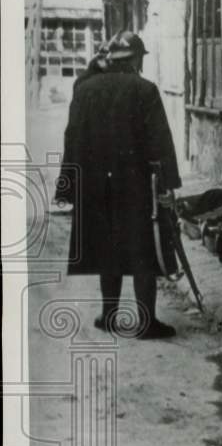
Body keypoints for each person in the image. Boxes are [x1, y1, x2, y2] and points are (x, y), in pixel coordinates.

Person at [55, 31, 181, 339]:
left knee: (105, 247)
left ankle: (110, 315)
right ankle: (145, 321)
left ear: (109, 59)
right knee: (142, 251)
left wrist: (67, 187)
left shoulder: (84, 89)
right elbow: (160, 141)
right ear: (136, 59)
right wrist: (168, 184)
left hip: (95, 186)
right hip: (135, 186)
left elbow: (72, 138)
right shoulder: (145, 90)